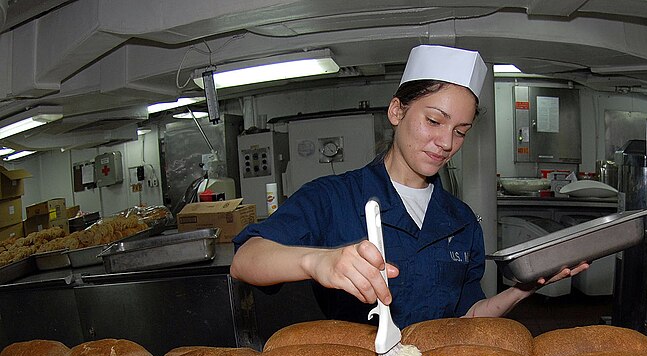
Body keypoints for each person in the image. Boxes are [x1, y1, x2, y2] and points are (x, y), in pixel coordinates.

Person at [230, 44, 587, 328]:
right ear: (397, 112)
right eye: (434, 121)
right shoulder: (332, 197)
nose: (446, 143)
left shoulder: (460, 220)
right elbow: (245, 260)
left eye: (460, 131)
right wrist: (318, 261)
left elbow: (467, 319)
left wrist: (522, 290)